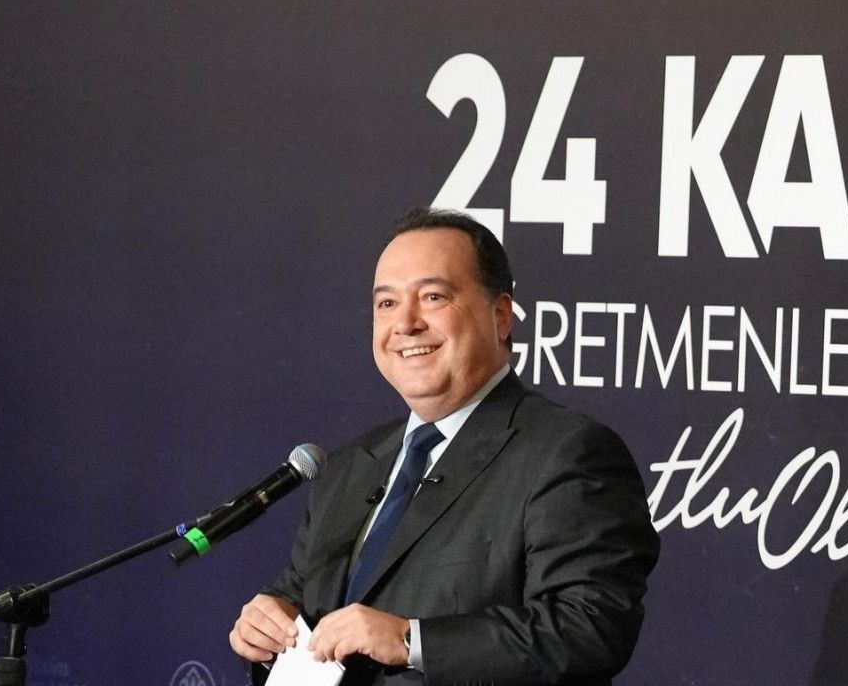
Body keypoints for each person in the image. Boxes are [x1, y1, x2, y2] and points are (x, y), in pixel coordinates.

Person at [229, 208, 659, 686]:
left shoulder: (567, 452)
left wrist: (411, 640)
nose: (405, 323)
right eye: (386, 303)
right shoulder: (349, 466)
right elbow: (298, 606)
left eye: (433, 297)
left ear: (500, 316)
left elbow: (591, 626)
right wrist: (266, 634)